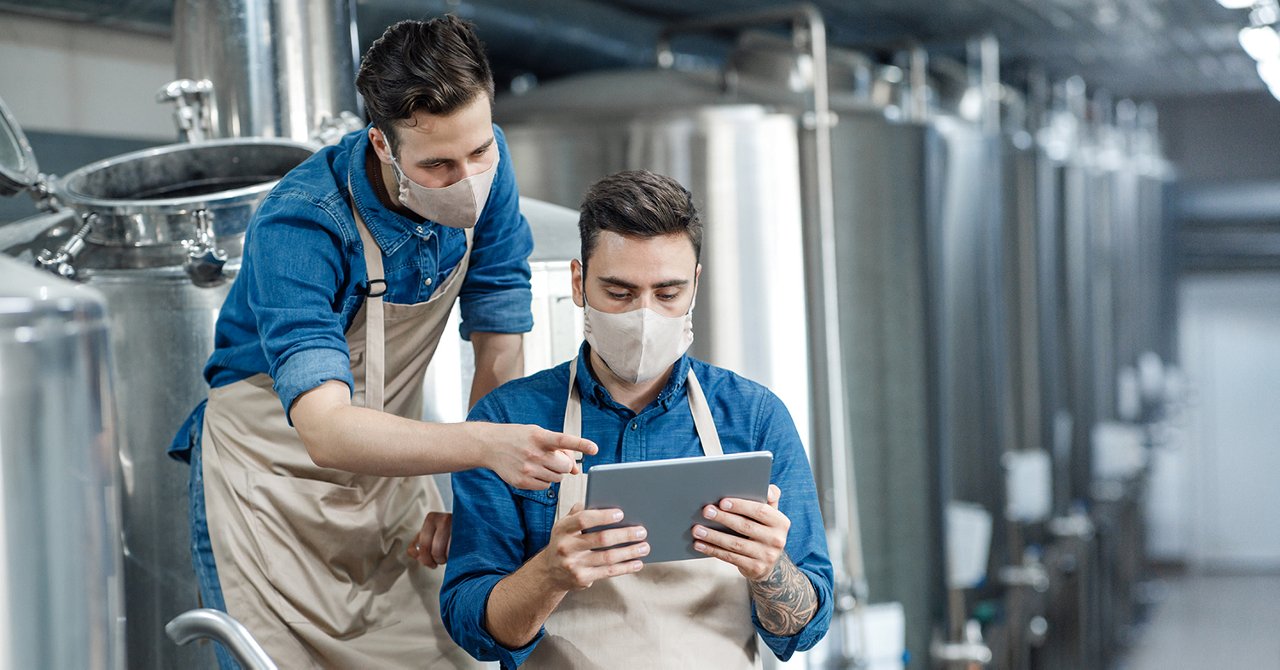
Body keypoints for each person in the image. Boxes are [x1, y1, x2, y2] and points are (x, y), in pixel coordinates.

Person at [168, 17, 596, 668]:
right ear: (383, 145)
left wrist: (479, 502)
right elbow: (328, 430)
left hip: (392, 482)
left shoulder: (490, 163)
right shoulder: (303, 223)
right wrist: (485, 447)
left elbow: (498, 349)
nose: (469, 178)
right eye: (438, 165)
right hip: (270, 500)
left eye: (479, 152)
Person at [441, 170, 833, 668]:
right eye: (620, 293)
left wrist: (770, 569)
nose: (644, 317)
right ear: (579, 282)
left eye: (667, 294)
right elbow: (471, 625)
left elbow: (803, 627)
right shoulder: (506, 421)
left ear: (695, 283)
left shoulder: (753, 417)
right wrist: (550, 575)